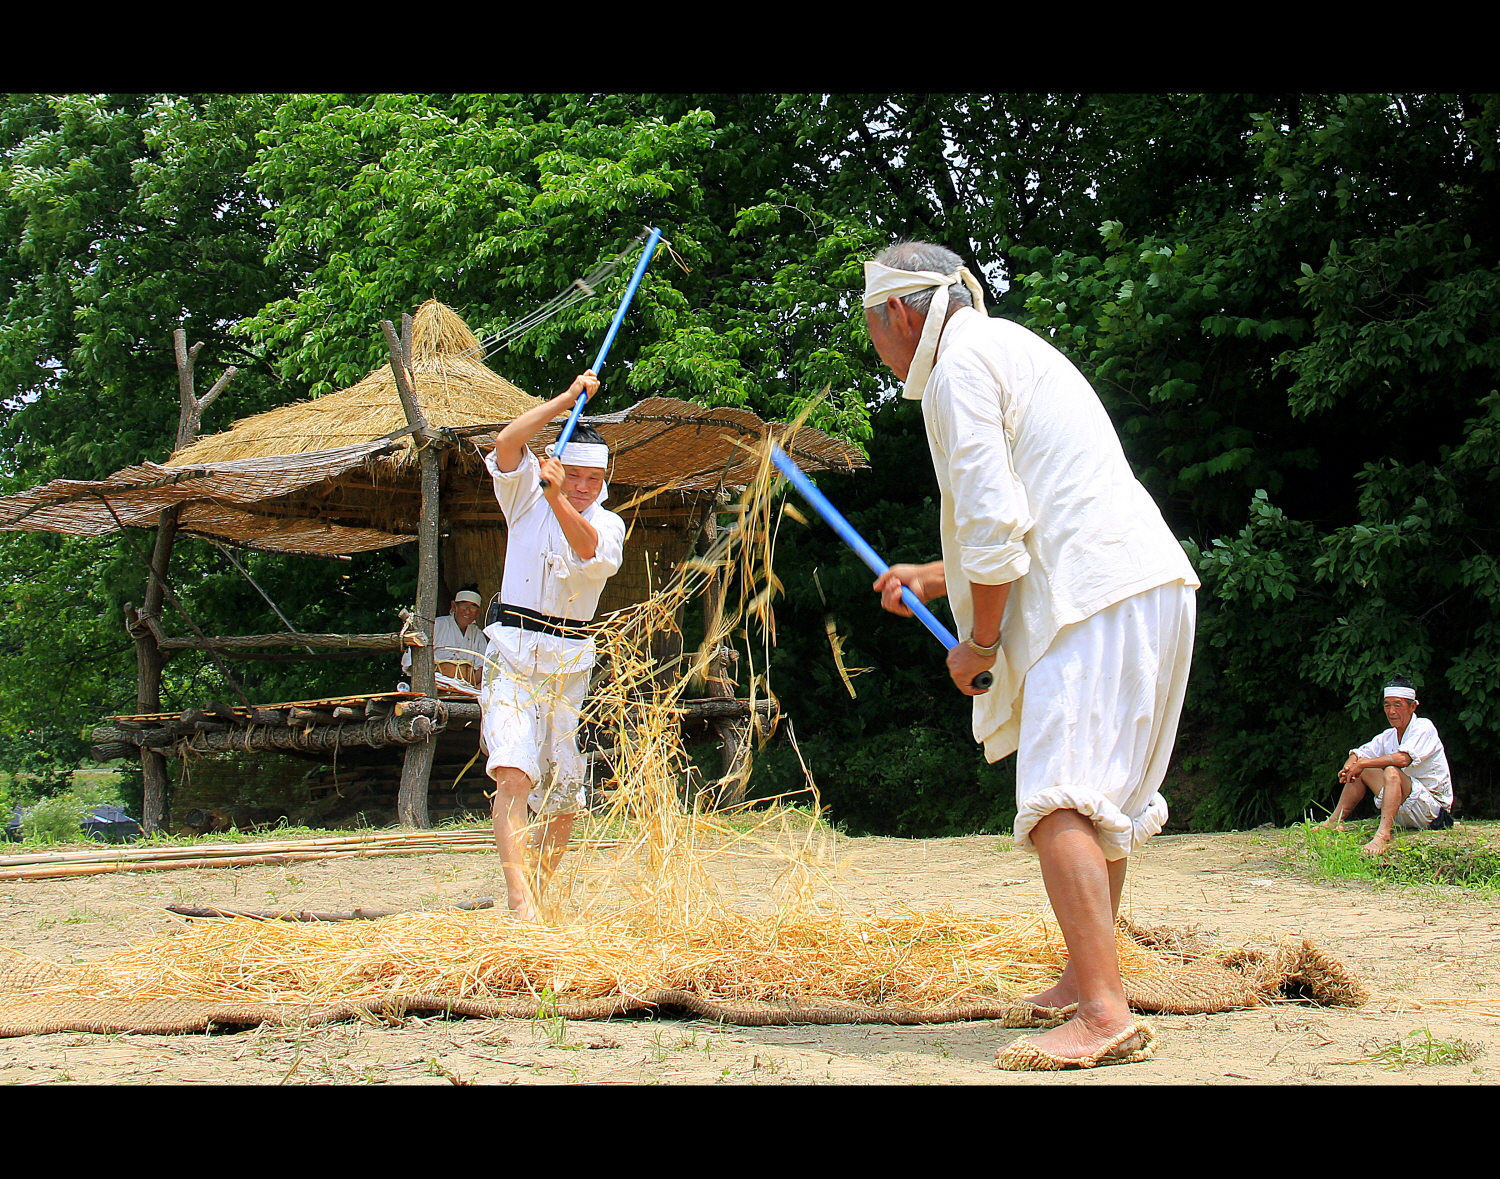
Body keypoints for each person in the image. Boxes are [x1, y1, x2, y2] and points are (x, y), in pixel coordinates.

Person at [863, 241, 1199, 1070]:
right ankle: (1083, 979)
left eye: (870, 321)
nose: (874, 337)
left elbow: (994, 524)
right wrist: (939, 579)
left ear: (900, 312)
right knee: (1095, 802)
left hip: (1091, 598)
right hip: (1145, 582)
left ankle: (1102, 1012)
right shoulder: (1009, 345)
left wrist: (978, 642)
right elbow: (1029, 508)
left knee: (1056, 803)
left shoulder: (955, 373)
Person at [478, 371, 625, 922]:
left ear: (604, 481)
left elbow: (588, 551)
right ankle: (519, 901)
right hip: (513, 653)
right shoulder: (523, 500)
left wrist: (559, 496)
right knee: (513, 770)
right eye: (575, 476)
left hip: (568, 665)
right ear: (557, 465)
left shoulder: (608, 525)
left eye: (594, 479)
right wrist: (566, 400)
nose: (584, 486)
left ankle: (538, 890)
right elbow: (506, 443)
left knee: (564, 793)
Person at [1322, 675, 1454, 855]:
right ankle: (1334, 822)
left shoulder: (1424, 727)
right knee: (1364, 767)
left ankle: (1383, 836)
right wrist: (1350, 767)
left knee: (1391, 771)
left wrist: (1362, 763)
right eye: (1387, 705)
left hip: (1432, 811)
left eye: (1398, 705)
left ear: (1412, 706)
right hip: (1403, 807)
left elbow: (1403, 759)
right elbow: (1358, 753)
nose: (1391, 711)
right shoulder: (1388, 735)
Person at [402, 587, 488, 694]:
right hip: (433, 687)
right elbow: (411, 660)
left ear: (478, 612)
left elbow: (484, 666)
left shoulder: (477, 634)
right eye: (463, 605)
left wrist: (467, 686)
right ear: (454, 606)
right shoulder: (437, 625)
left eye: (473, 607)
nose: (467, 611)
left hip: (466, 690)